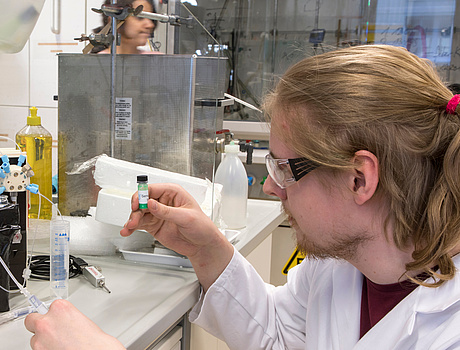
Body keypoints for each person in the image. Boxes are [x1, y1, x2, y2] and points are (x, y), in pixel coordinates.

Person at [24, 44, 460, 349]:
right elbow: (279, 336)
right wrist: (207, 249)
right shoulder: (343, 265)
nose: (270, 187)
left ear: (359, 179)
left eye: (284, 169)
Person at [92, 0, 160, 54]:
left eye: (151, 18)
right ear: (114, 22)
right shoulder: (98, 63)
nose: (150, 25)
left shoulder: (156, 61)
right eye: (140, 17)